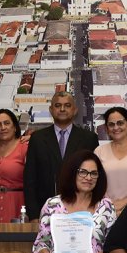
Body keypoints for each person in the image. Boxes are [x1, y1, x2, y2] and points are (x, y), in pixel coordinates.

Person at [24, 91, 99, 220]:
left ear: (75, 110)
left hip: (81, 212)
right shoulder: (37, 138)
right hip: (45, 212)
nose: (62, 109)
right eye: (58, 105)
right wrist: (34, 214)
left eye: (67, 105)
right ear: (51, 110)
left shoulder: (89, 138)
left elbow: (94, 177)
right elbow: (30, 179)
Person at [0, 108, 28, 222]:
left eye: (7, 123)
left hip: (17, 203)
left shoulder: (25, 147)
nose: (3, 128)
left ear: (15, 127)